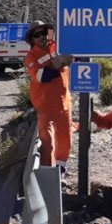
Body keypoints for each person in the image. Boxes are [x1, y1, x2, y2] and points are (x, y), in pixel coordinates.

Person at [24, 21, 74, 176]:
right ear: (32, 39)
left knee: (65, 139)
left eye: (44, 33)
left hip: (64, 102)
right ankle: (46, 175)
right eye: (36, 35)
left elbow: (73, 56)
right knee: (48, 142)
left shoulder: (56, 46)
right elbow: (44, 76)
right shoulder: (31, 57)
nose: (41, 37)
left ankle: (60, 172)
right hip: (45, 106)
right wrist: (58, 63)